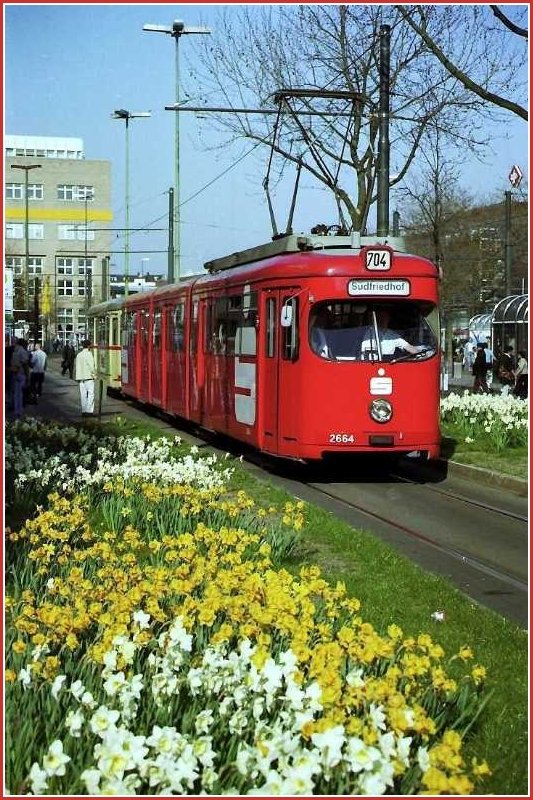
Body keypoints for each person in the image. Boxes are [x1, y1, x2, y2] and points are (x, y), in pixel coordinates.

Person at [74, 339, 97, 416]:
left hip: (81, 379)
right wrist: (95, 375)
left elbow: (77, 367)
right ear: (88, 346)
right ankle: (89, 411)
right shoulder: (89, 354)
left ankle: (83, 411)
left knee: (83, 395)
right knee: (91, 394)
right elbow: (91, 367)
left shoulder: (79, 355)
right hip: (89, 378)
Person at [10, 338, 31, 418]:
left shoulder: (15, 351)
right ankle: (20, 411)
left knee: (16, 393)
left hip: (14, 373)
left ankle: (16, 411)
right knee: (21, 394)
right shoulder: (22, 351)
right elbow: (25, 365)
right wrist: (28, 376)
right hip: (21, 374)